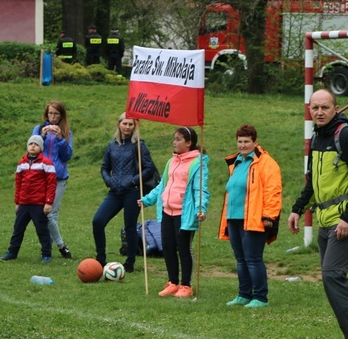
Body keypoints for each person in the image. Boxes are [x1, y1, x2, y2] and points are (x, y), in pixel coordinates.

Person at [288, 89, 348, 339]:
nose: (319, 112)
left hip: (346, 218)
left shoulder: (346, 136)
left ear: (335, 108)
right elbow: (313, 180)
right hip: (326, 219)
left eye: (325, 107)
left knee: (332, 275)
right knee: (332, 280)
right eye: (315, 108)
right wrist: (297, 208)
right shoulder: (317, 137)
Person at [141, 127, 210, 298]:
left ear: (189, 143)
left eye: (178, 139)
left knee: (183, 248)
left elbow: (200, 189)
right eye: (174, 139)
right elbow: (162, 185)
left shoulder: (198, 164)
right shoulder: (171, 162)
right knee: (168, 247)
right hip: (167, 211)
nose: (174, 142)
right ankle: (173, 283)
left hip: (184, 213)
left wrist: (201, 208)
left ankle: (186, 285)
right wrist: (146, 199)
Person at [218, 124, 282, 308]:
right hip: (234, 217)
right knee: (240, 259)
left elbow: (273, 190)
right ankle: (244, 294)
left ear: (255, 142)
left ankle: (260, 297)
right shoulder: (236, 162)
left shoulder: (266, 162)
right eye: (240, 141)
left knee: (253, 259)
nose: (243, 145)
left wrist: (269, 215)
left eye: (247, 141)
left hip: (253, 218)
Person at [92, 113, 155, 273]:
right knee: (97, 221)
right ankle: (100, 258)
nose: (127, 127)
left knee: (130, 226)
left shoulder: (139, 145)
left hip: (133, 191)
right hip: (115, 191)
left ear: (135, 127)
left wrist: (133, 180)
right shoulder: (112, 145)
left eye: (131, 124)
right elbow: (104, 167)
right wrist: (108, 180)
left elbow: (149, 169)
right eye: (125, 124)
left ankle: (130, 262)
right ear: (119, 124)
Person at [0, 136, 57, 263]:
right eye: (30, 143)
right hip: (24, 203)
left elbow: (51, 184)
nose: (32, 146)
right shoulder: (22, 163)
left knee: (42, 230)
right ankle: (12, 252)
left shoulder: (46, 163)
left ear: (40, 148)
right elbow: (18, 183)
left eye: (36, 144)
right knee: (18, 229)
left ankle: (46, 254)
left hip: (38, 203)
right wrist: (17, 202)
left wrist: (48, 202)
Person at [32, 100, 74, 259]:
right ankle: (59, 245)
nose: (53, 117)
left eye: (56, 114)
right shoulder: (38, 129)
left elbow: (67, 156)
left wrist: (60, 139)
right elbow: (31, 151)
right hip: (41, 175)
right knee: (45, 212)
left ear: (61, 115)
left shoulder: (67, 132)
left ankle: (48, 247)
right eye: (50, 113)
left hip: (58, 177)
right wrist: (41, 136)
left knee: (52, 213)